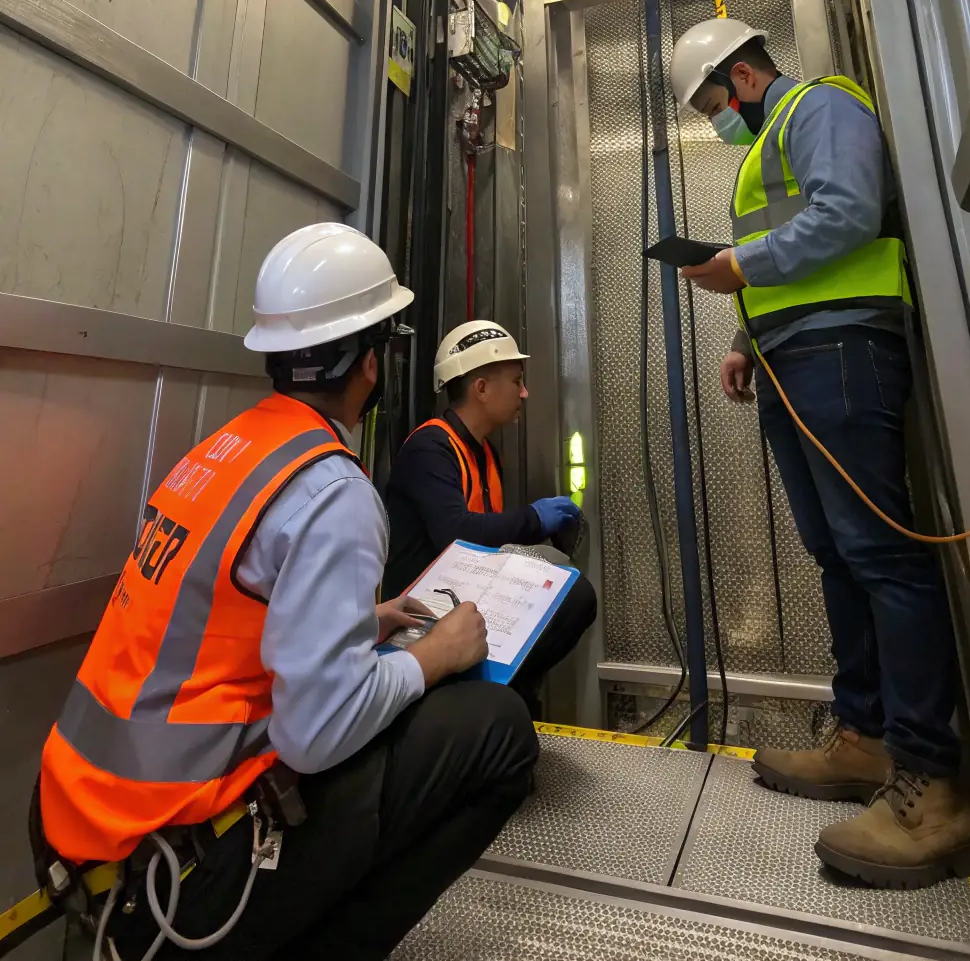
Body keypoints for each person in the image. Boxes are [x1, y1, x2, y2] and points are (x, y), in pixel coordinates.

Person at [35, 224, 538, 960]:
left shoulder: (223, 451)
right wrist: (433, 655)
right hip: (179, 872)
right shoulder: (332, 487)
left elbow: (215, 621)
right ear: (372, 364)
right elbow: (314, 732)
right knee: (496, 727)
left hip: (86, 832)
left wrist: (364, 621)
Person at [668, 17, 970, 889]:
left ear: (739, 75)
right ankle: (865, 737)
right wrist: (743, 332)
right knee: (838, 556)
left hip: (842, 351)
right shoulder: (767, 140)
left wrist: (740, 267)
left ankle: (934, 792)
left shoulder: (820, 107)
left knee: (883, 556)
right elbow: (786, 257)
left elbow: (845, 215)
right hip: (791, 356)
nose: (714, 123)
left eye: (709, 104)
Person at [384, 320, 597, 717]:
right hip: (421, 623)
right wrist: (535, 519)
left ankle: (505, 695)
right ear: (481, 389)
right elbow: (457, 534)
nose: (524, 391)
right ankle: (493, 700)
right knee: (574, 593)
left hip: (465, 606)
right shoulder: (431, 449)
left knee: (564, 585)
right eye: (516, 380)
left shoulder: (483, 454)